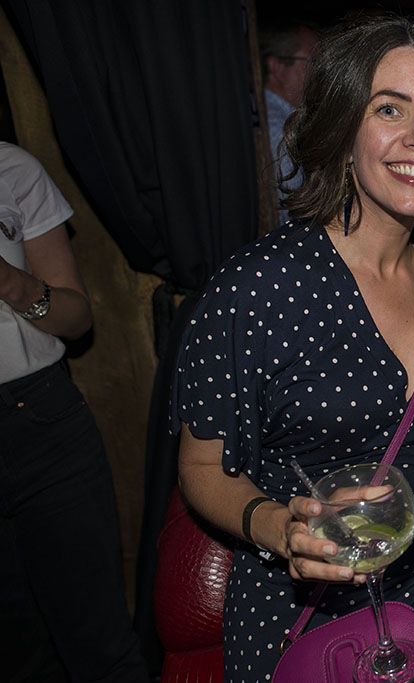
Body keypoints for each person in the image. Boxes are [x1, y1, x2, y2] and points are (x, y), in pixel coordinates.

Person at [171, 16, 414, 682]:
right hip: (308, 605)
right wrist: (278, 527)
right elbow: (202, 466)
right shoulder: (259, 285)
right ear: (343, 127)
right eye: (390, 109)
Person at [0, 142, 148, 681]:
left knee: (101, 644)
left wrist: (12, 283)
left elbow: (77, 317)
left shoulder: (12, 168)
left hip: (41, 419)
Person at [259, 19, 319, 225]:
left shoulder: (278, 119)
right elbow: (293, 217)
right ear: (276, 67)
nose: (318, 73)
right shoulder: (278, 129)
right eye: (312, 62)